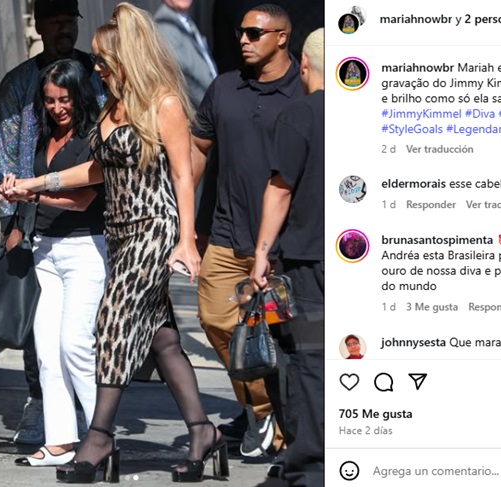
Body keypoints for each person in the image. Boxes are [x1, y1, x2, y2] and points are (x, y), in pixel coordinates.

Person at [0, 3, 225, 484]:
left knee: (113, 324)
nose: (96, 67)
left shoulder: (163, 103)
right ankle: (203, 431)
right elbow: (94, 170)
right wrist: (33, 185)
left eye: (103, 59)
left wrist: (187, 239)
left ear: (127, 56)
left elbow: (183, 175)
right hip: (119, 232)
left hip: (153, 227)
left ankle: (98, 437)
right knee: (163, 340)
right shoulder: (112, 106)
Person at [191, 3, 304, 457]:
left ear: (282, 37)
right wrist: (185, 219)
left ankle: (285, 420)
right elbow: (198, 148)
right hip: (226, 233)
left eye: (254, 33)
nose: (243, 39)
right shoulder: (224, 87)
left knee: (285, 339)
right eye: (241, 32)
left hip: (286, 243)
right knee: (216, 320)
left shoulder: (305, 90)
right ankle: (263, 409)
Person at [0, 0, 106, 445]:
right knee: (39, 328)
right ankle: (42, 406)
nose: (64, 29)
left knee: (80, 333)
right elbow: (7, 154)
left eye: (69, 21)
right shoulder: (19, 83)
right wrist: (11, 223)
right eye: (55, 21)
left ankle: (96, 424)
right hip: (34, 221)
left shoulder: (97, 74)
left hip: (89, 221)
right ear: (38, 24)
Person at [14, 59, 108, 467]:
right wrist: (15, 192)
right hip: (45, 250)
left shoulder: (92, 138)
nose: (56, 108)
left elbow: (83, 199)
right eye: (50, 100)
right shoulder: (45, 135)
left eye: (64, 99)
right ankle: (60, 441)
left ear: (79, 96)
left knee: (76, 346)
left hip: (86, 249)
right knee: (48, 349)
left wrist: (32, 193)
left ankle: (101, 438)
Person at [250, 27, 324, 487]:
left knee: (312, 360)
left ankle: (313, 468)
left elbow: (280, 189)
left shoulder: (302, 113)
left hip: (311, 262)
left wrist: (261, 254)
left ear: (305, 65)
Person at [154, 0, 217, 109]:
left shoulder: (185, 19)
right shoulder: (165, 26)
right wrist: (214, 106)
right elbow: (184, 79)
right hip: (198, 112)